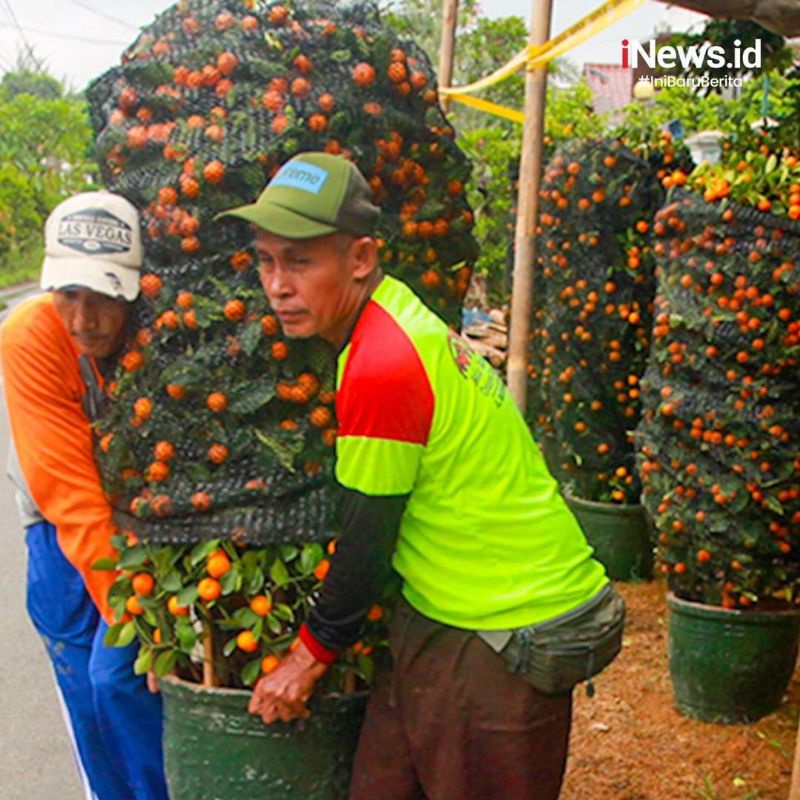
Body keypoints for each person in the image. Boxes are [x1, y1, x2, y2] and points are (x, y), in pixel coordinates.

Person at [221, 152, 622, 799]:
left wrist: (306, 659)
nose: (277, 284)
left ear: (359, 259)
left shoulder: (382, 361)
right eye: (266, 260)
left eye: (299, 260)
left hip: (503, 622)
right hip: (440, 611)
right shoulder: (391, 312)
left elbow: (366, 539)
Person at [1, 191, 169, 800]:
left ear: (134, 290)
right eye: (68, 295)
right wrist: (138, 621)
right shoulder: (29, 337)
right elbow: (69, 498)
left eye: (101, 298)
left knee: (124, 683)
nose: (83, 319)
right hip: (58, 529)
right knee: (96, 695)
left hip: (143, 521)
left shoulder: (162, 332)